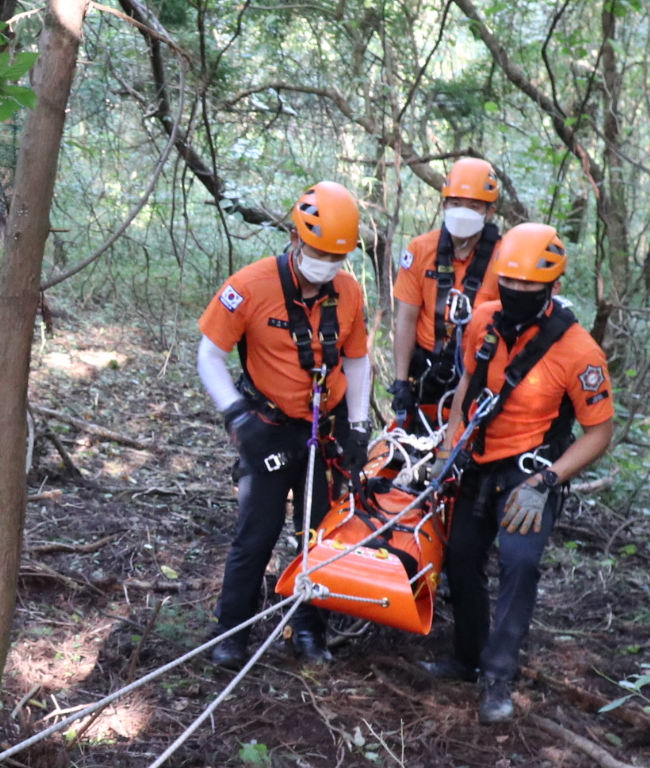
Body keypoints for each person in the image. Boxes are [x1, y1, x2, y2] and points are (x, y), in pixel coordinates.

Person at [425, 223, 615, 723]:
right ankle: (466, 656)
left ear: (551, 287)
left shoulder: (580, 352)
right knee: (460, 557)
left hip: (533, 472)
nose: (517, 294)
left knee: (520, 562)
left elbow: (599, 432)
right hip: (478, 463)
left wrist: (547, 482)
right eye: (510, 283)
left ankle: (498, 675)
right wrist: (450, 444)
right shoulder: (482, 320)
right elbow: (468, 383)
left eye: (530, 288)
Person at [195, 182, 375, 668]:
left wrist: (358, 427)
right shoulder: (249, 288)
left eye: (336, 256)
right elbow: (209, 355)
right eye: (317, 251)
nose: (326, 262)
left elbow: (357, 363)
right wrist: (236, 415)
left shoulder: (349, 292)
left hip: (326, 428)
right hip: (267, 426)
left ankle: (308, 631)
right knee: (257, 531)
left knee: (319, 534)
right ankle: (231, 633)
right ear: (295, 239)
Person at [388, 157, 502, 430]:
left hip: (480, 371)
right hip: (427, 370)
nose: (463, 212)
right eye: (456, 204)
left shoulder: (506, 258)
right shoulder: (421, 250)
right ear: (444, 205)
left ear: (489, 212)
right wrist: (401, 380)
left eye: (474, 206)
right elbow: (406, 318)